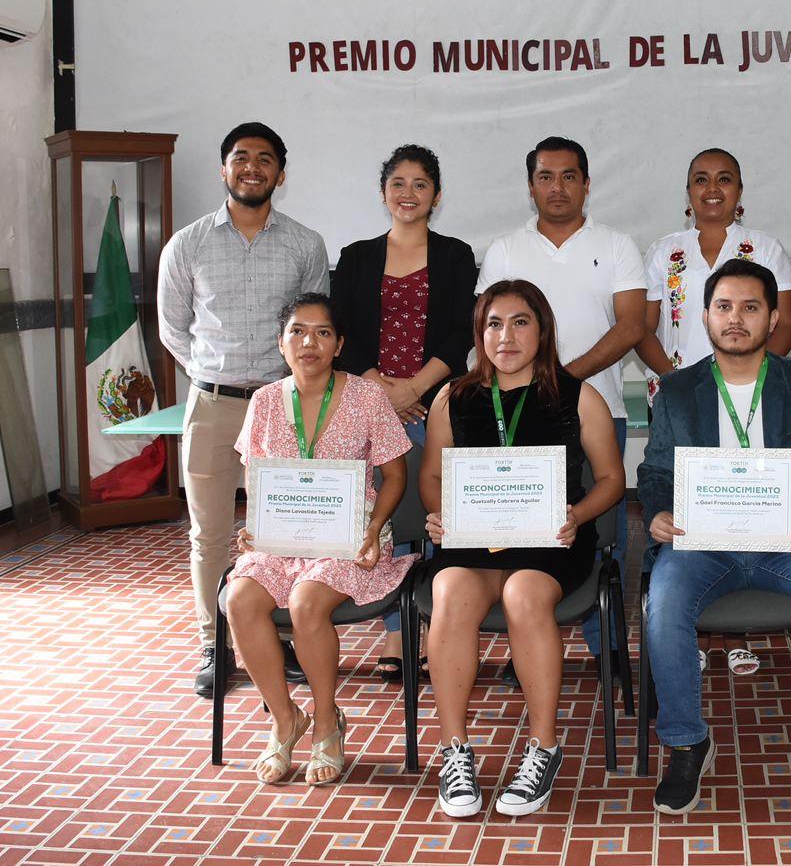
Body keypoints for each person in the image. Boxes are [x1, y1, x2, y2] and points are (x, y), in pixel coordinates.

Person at [638, 259, 791, 814]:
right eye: (723, 307)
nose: (735, 318)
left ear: (774, 317)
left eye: (750, 307)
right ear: (705, 317)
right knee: (661, 602)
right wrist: (659, 511)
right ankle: (688, 742)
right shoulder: (676, 389)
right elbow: (655, 472)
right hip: (702, 543)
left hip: (789, 541)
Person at [420, 280, 626, 818]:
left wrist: (577, 515)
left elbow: (610, 479)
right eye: (493, 323)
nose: (505, 336)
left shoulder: (578, 394)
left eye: (520, 322)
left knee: (524, 595)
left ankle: (543, 746)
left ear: (543, 330)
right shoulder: (453, 396)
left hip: (550, 542)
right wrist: (440, 514)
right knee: (449, 590)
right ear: (478, 333)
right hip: (475, 539)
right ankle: (455, 749)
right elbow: (432, 475)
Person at [158, 121, 330, 696]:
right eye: (240, 158)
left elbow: (311, 326)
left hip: (284, 406)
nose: (251, 167)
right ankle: (213, 643)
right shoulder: (188, 244)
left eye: (264, 159)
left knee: (281, 531)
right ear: (223, 169)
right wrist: (213, 373)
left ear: (281, 173)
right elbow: (172, 329)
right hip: (213, 404)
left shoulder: (306, 244)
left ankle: (274, 635)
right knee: (208, 533)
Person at [225, 293, 415, 784]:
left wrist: (374, 531)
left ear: (339, 345)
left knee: (308, 602)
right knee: (240, 599)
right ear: (281, 343)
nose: (309, 342)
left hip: (353, 534)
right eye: (297, 331)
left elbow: (396, 477)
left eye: (322, 333)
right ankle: (287, 720)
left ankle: (327, 721)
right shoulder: (264, 401)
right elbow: (256, 478)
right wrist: (256, 525)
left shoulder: (367, 397)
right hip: (285, 540)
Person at [635, 147, 791, 677]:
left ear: (739, 191)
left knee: (746, 509)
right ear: (687, 194)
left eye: (724, 179)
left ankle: (741, 631)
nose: (713, 188)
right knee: (690, 515)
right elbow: (644, 328)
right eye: (701, 180)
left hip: (751, 401)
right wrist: (681, 381)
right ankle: (692, 624)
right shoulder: (665, 251)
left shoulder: (766, 248)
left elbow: (789, 326)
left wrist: (751, 378)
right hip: (683, 405)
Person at [477, 136, 644, 664]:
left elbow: (633, 325)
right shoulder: (506, 250)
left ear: (586, 184)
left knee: (597, 536)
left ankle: (608, 648)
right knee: (521, 530)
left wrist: (560, 383)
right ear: (531, 187)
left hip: (600, 410)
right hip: (519, 422)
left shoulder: (617, 245)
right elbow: (488, 327)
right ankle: (525, 645)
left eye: (569, 176)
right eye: (546, 177)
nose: (557, 187)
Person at [333, 145, 478, 681]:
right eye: (398, 183)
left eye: (420, 184)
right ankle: (397, 631)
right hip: (368, 403)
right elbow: (340, 334)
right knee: (384, 511)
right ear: (383, 193)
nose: (408, 193)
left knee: (434, 507)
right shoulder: (356, 256)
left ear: (436, 196)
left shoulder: (457, 255)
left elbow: (461, 333)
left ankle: (444, 622)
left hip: (434, 401)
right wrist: (381, 391)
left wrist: (413, 388)